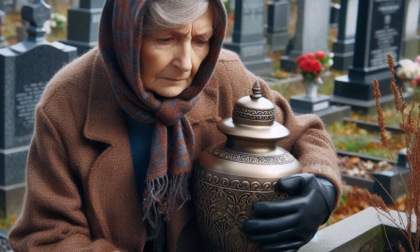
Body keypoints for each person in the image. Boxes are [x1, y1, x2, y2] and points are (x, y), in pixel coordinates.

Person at [9, 0, 341, 251]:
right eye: (166, 40)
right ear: (127, 36)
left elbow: (304, 134)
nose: (186, 64)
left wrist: (322, 188)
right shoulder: (68, 102)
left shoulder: (223, 76)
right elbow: (48, 234)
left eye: (201, 40)